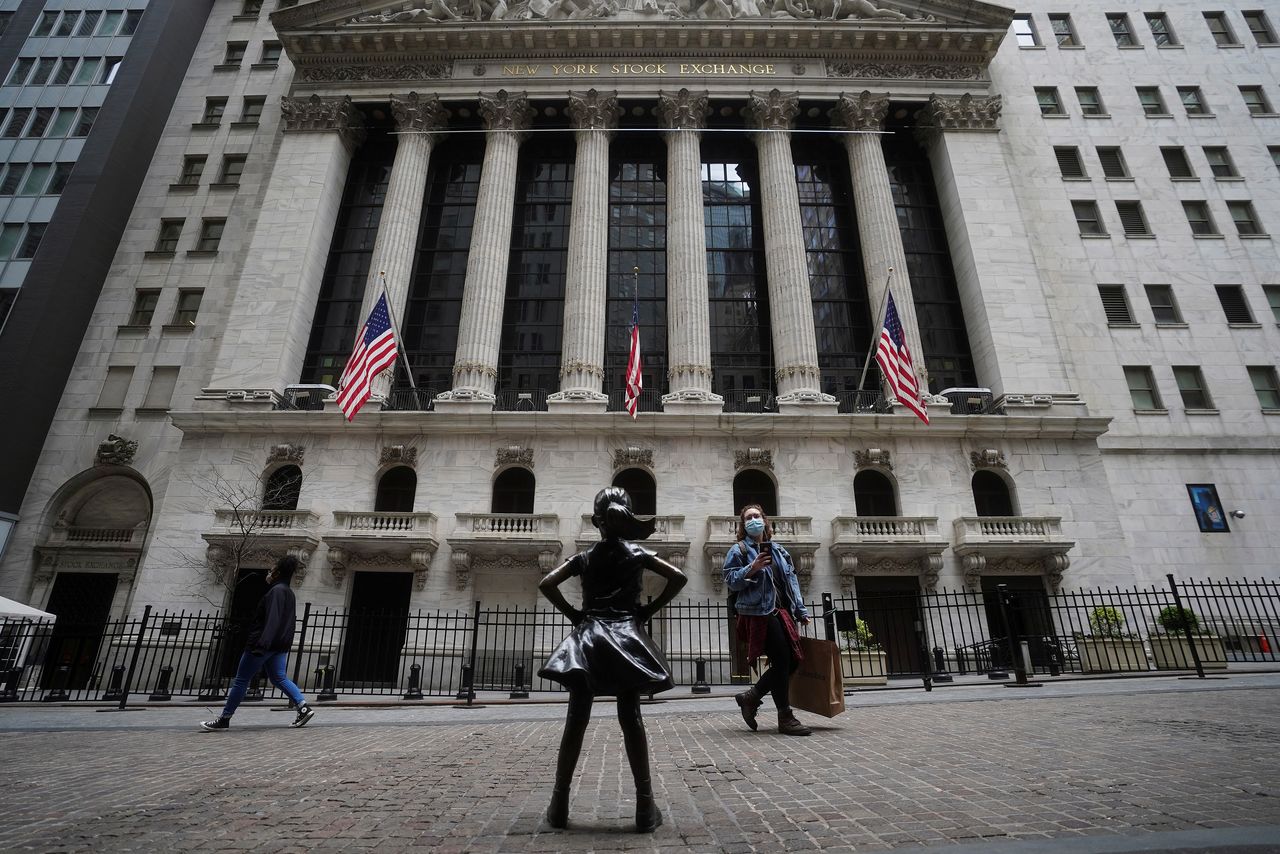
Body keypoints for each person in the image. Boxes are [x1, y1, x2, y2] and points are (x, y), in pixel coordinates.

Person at [538, 486, 688, 832]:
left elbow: (547, 583)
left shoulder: (586, 557)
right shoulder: (637, 552)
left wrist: (575, 615)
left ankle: (559, 804)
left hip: (589, 636)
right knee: (631, 717)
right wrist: (649, 609)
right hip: (626, 636)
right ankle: (645, 807)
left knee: (576, 719)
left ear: (597, 522)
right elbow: (678, 577)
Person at [723, 504, 812, 736]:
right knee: (782, 659)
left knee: (791, 662)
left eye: (757, 516)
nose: (753, 520)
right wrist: (751, 568)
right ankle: (785, 716)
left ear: (765, 520)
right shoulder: (739, 550)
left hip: (783, 611)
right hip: (759, 612)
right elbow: (730, 580)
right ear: (744, 525)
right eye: (748, 518)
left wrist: (801, 610)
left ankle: (750, 697)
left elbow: (791, 582)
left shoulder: (779, 551)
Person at [200, 556, 314, 731]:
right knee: (279, 678)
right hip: (278, 645)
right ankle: (303, 707)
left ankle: (225, 718)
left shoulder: (276, 591)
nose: (268, 573)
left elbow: (273, 620)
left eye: (271, 570)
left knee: (241, 680)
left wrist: (262, 644)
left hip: (264, 644)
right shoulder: (288, 592)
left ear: (277, 573)